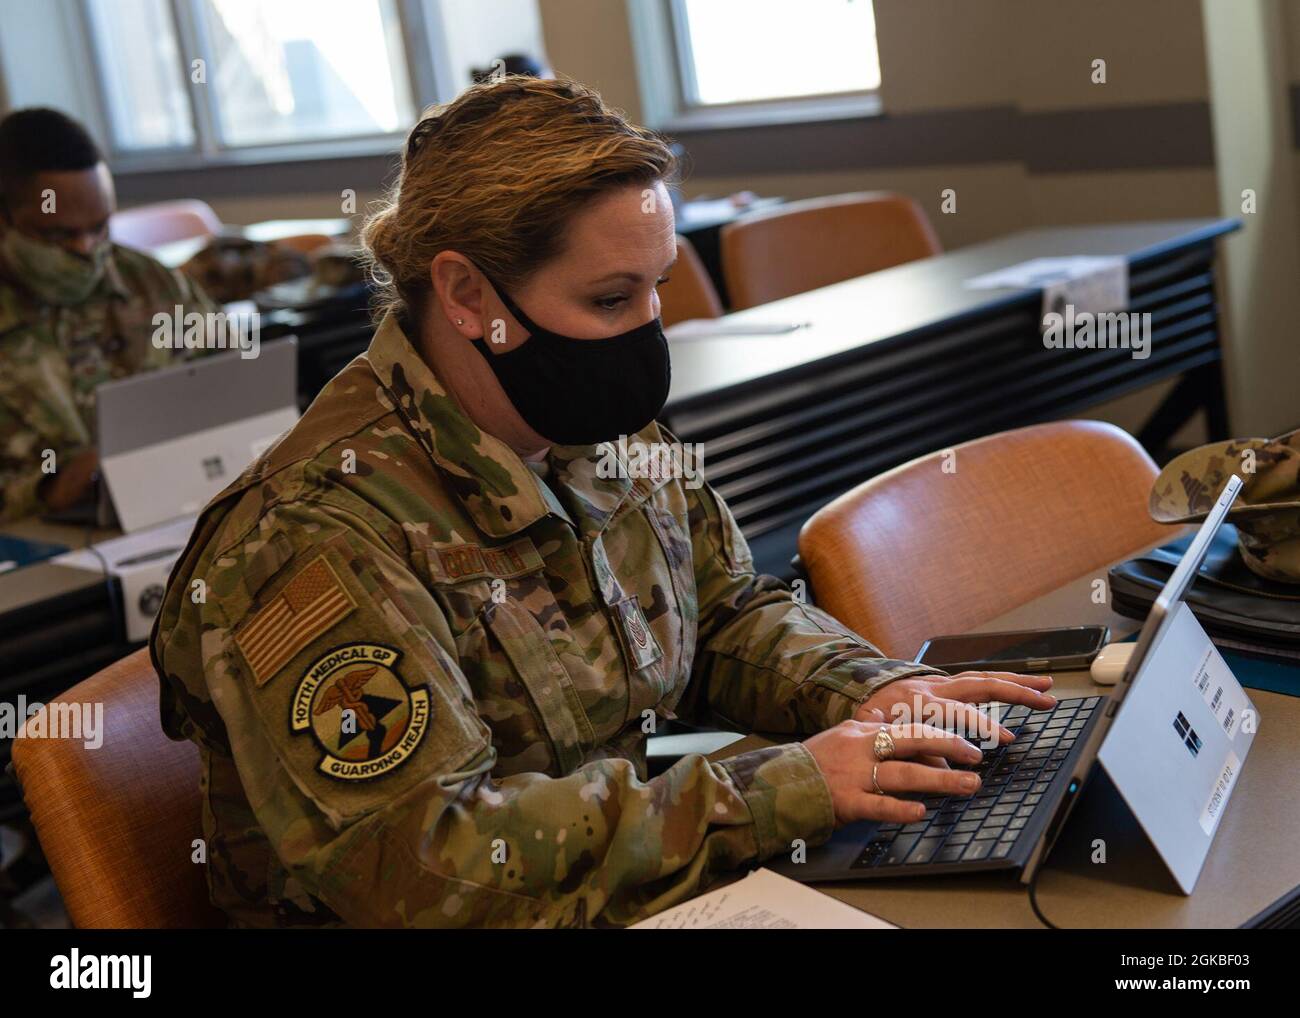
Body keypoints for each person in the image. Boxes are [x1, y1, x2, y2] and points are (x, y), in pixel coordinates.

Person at [151, 76, 1055, 928]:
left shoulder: (593, 427)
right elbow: (423, 863)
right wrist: (782, 789)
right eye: (612, 298)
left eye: (661, 284)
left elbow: (726, 614)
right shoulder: (312, 536)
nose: (649, 329)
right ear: (469, 295)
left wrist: (875, 697)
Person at [0, 108, 216, 522]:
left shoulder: (150, 282)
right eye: (58, 233)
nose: (85, 249)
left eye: (99, 227)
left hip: (176, 509)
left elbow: (235, 385)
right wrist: (49, 489)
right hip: (37, 543)